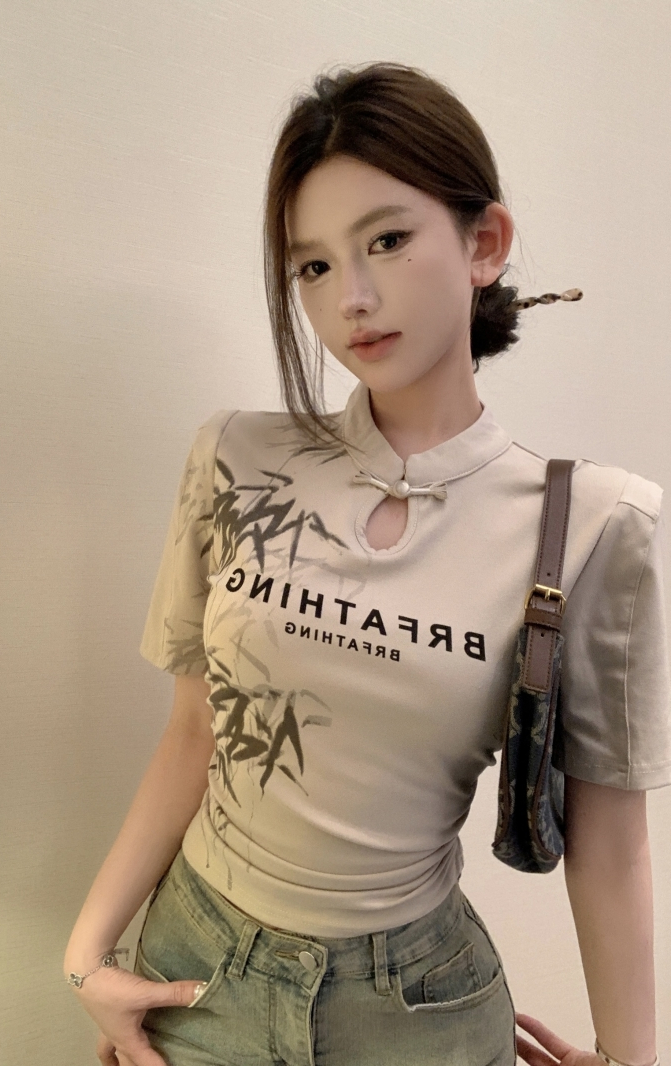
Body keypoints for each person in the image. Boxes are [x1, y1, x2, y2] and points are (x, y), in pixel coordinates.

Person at [64, 62, 669, 1066]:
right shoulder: (235, 459)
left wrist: (633, 1059)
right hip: (196, 976)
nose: (350, 298)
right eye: (311, 266)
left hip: (414, 1012)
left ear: (484, 243)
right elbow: (194, 730)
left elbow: (608, 840)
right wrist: (86, 956)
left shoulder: (595, 526)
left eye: (386, 241)